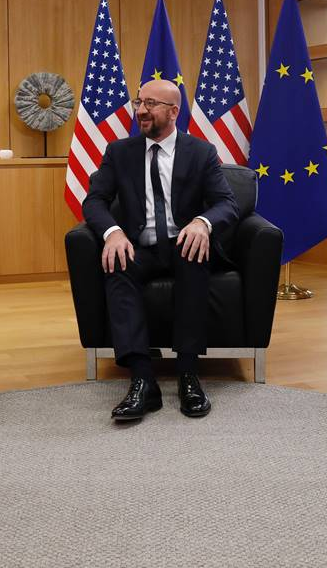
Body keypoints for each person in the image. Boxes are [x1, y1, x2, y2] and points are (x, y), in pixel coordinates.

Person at [82, 78, 238, 421]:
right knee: (117, 265)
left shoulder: (201, 152)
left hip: (183, 243)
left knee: (195, 257)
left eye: (150, 104)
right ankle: (142, 381)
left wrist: (202, 223)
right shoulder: (119, 152)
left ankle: (188, 375)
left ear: (173, 111)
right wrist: (112, 232)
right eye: (139, 102)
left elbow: (226, 203)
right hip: (141, 247)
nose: (141, 110)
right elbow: (94, 200)